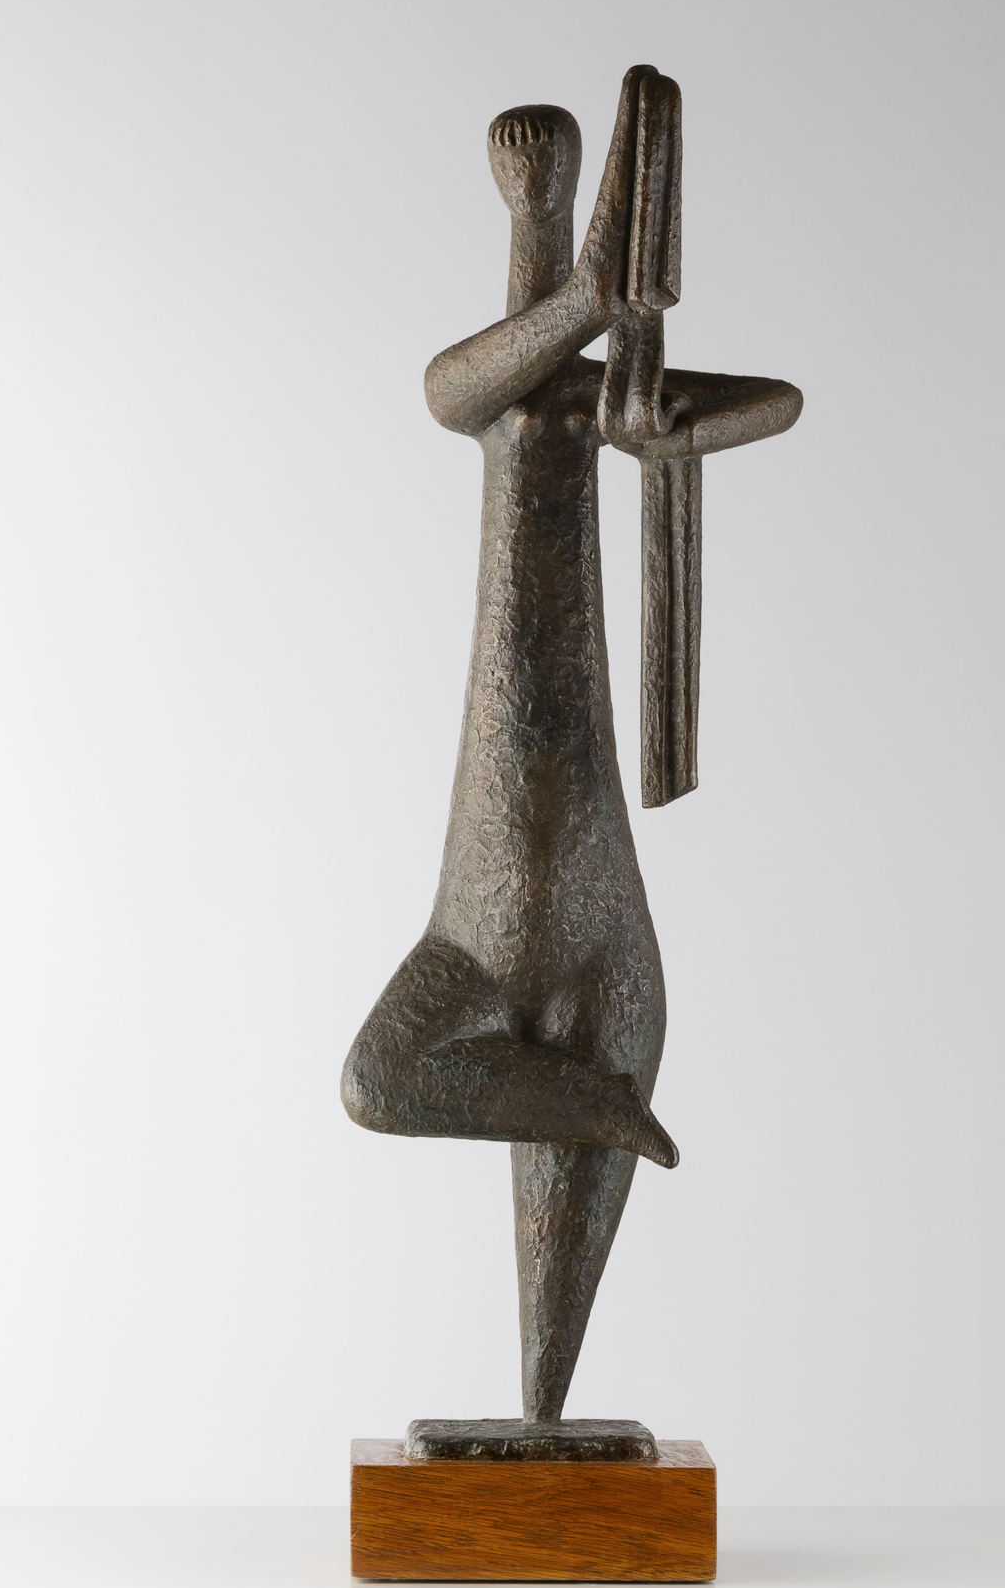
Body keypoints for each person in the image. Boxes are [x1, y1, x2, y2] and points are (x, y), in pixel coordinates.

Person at [342, 69, 801, 1421]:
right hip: (475, 940)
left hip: (602, 937)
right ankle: (598, 1108)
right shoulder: (482, 385)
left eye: (544, 182)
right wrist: (596, 294)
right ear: (517, 201)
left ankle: (545, 1413)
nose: (533, 191)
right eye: (528, 185)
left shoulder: (586, 389)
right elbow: (471, 385)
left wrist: (664, 430)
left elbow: (776, 399)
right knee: (379, 1079)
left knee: (553, 1346)